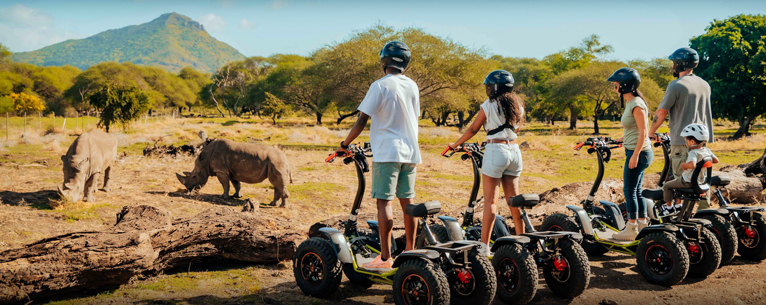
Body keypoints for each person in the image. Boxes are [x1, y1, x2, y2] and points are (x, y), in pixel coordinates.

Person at [336, 41, 420, 270]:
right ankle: (410, 251)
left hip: (388, 152)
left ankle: (385, 258)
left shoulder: (380, 85)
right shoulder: (412, 86)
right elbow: (414, 116)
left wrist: (344, 144)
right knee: (408, 203)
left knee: (384, 202)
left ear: (384, 60)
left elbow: (362, 119)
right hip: (411, 152)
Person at [446, 70, 525, 251]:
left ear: (495, 88)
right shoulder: (518, 106)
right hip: (514, 151)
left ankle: (484, 246)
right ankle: (522, 241)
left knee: (491, 202)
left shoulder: (488, 105)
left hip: (496, 150)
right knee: (514, 200)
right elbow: (516, 129)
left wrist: (455, 144)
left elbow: (473, 129)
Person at [648, 47, 714, 209]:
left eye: (674, 63)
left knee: (680, 181)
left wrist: (650, 133)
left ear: (680, 64)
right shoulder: (704, 85)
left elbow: (662, 112)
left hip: (682, 140)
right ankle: (705, 214)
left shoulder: (676, 85)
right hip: (701, 142)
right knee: (700, 180)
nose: (672, 66)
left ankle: (680, 217)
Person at [607, 67, 654, 241]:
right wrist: (617, 140)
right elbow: (633, 131)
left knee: (629, 191)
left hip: (639, 153)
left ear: (625, 86)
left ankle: (631, 228)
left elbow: (643, 132)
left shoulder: (636, 104)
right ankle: (642, 225)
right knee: (637, 191)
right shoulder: (630, 103)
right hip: (636, 150)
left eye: (616, 84)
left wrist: (634, 155)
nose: (614, 88)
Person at [659, 124, 719, 216]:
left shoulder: (693, 152)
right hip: (700, 181)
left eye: (686, 139)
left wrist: (684, 165)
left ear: (692, 141)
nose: (685, 141)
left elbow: (692, 164)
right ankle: (679, 206)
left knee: (667, 186)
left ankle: (670, 208)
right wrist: (704, 161)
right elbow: (716, 160)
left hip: (688, 181)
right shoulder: (707, 150)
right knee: (676, 182)